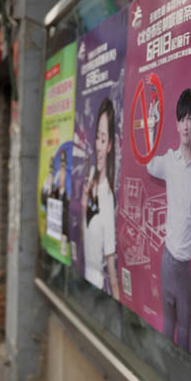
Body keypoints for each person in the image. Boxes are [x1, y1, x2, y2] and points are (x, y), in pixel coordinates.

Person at [147, 88, 191, 351]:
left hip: (184, 270)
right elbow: (149, 165)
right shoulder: (169, 162)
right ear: (176, 123)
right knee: (166, 330)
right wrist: (152, 128)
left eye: (189, 118)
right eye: (181, 119)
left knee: (183, 341)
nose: (185, 125)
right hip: (167, 261)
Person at [81, 98, 120, 299]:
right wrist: (83, 205)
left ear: (110, 145)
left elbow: (110, 256)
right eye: (97, 137)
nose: (98, 145)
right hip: (84, 279)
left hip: (97, 290)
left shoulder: (107, 195)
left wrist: (117, 298)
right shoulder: (91, 180)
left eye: (103, 140)